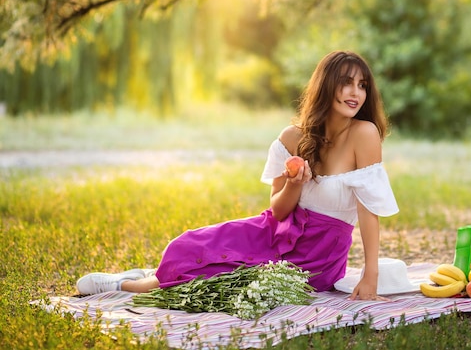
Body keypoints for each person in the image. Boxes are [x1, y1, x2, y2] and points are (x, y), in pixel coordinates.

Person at [76, 50, 399, 301]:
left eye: (362, 85)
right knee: (187, 245)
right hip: (275, 232)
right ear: (326, 86)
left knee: (217, 281)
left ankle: (125, 285)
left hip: (316, 260)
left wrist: (369, 275)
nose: (355, 92)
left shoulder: (364, 134)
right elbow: (278, 211)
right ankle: (151, 275)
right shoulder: (291, 138)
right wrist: (293, 184)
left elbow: (368, 210)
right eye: (346, 82)